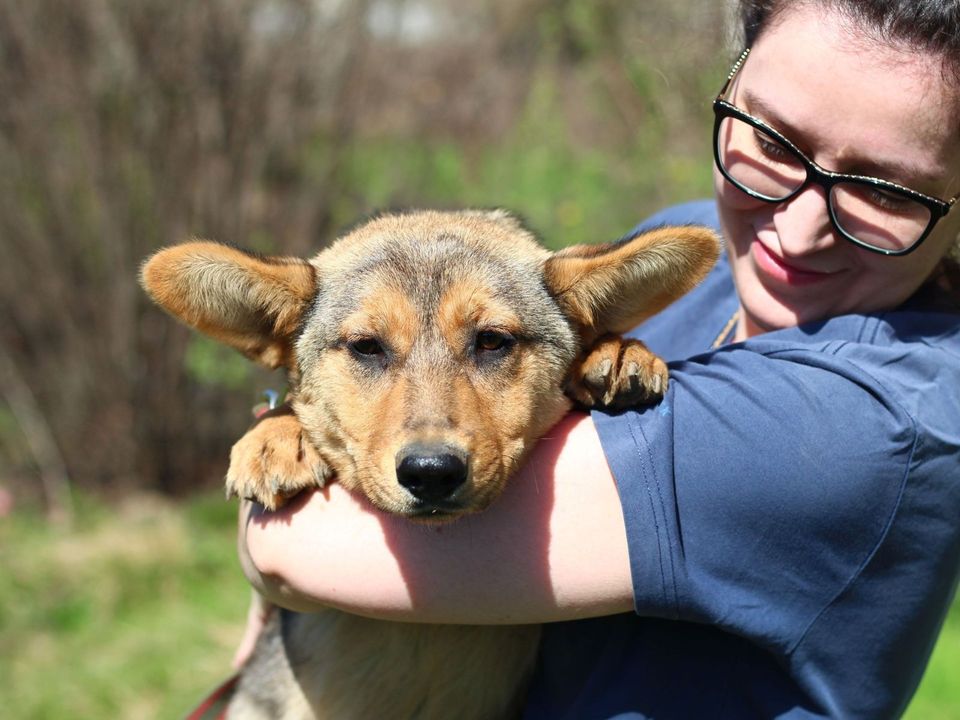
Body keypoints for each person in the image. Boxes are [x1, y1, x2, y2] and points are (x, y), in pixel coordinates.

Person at [236, 1, 960, 717]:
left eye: (882, 189)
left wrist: (266, 521)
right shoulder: (701, 251)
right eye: (773, 141)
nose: (795, 234)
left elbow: (291, 555)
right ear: (730, 83)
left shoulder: (868, 427)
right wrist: (285, 421)